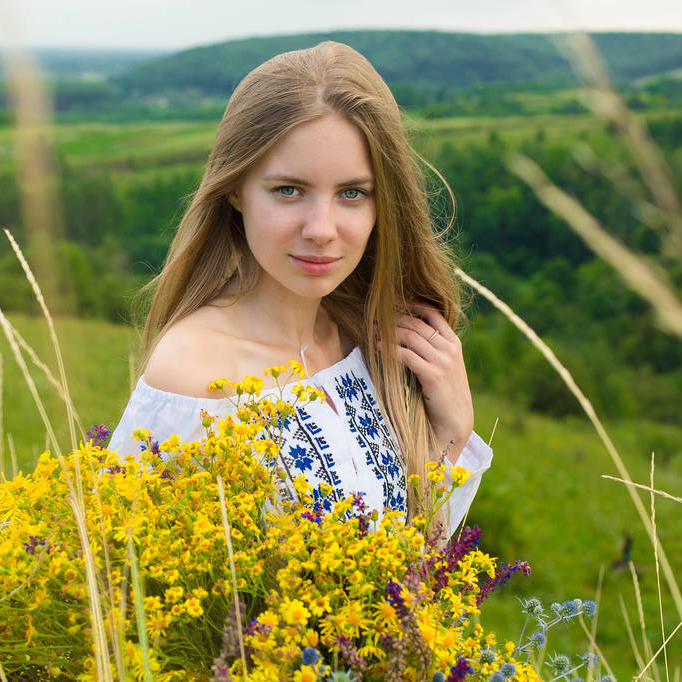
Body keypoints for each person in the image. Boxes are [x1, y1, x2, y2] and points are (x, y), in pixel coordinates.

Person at [109, 41, 491, 537]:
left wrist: (451, 435)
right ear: (234, 189)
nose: (321, 228)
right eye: (289, 190)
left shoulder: (369, 341)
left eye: (352, 193)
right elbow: (123, 584)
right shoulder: (193, 373)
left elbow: (415, 569)